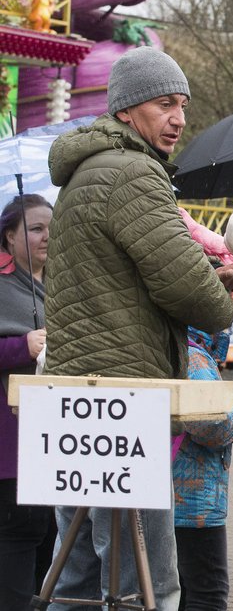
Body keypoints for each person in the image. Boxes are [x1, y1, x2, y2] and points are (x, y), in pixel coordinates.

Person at [43, 46, 233, 611]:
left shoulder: (83, 174)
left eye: (183, 106)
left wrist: (209, 276)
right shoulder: (134, 172)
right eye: (165, 104)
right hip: (125, 401)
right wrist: (223, 288)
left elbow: (136, 276)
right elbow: (186, 288)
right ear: (126, 110)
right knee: (146, 586)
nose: (179, 119)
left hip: (75, 397)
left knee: (73, 578)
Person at [173, 325, 233, 611]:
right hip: (193, 505)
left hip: (171, 499)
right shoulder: (195, 359)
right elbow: (209, 427)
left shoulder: (173, 345)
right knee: (208, 593)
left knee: (179, 591)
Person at [0, 194, 57, 610]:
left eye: (52, 228)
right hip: (11, 447)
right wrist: (21, 346)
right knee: (16, 543)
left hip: (56, 441)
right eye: (36, 229)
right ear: (9, 237)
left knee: (49, 541)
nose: (47, 237)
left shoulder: (61, 285)